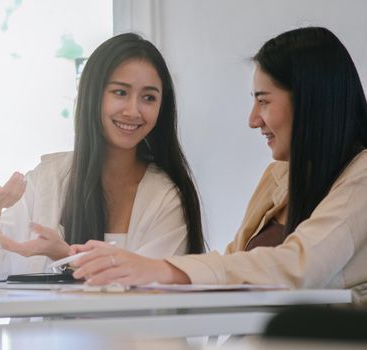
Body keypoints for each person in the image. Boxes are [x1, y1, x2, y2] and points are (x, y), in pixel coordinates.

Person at [72, 27, 367, 296]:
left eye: (263, 101)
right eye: (120, 92)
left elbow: (301, 265)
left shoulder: (361, 177)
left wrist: (165, 269)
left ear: (310, 101)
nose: (253, 120)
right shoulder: (279, 175)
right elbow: (232, 266)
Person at [0, 33, 205, 277]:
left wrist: (66, 257)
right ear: (92, 94)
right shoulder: (48, 179)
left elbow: (148, 293)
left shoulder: (166, 197)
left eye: (148, 97)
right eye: (120, 92)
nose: (133, 110)